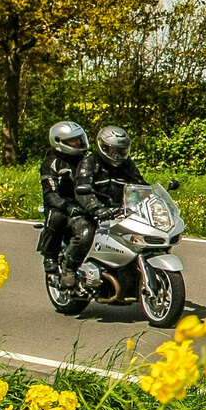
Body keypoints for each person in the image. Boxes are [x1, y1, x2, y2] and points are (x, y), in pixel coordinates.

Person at [67, 126, 148, 287]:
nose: (118, 154)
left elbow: (140, 185)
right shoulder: (89, 162)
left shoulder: (127, 165)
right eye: (113, 150)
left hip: (119, 212)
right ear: (103, 147)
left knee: (139, 237)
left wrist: (151, 199)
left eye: (121, 150)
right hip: (89, 212)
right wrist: (96, 208)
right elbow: (83, 190)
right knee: (85, 234)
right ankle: (69, 269)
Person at [38, 121, 89, 273]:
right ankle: (50, 256)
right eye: (73, 141)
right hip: (62, 205)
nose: (78, 143)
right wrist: (66, 206)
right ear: (59, 142)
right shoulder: (52, 163)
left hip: (86, 204)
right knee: (56, 216)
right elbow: (50, 194)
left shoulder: (88, 160)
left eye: (79, 139)